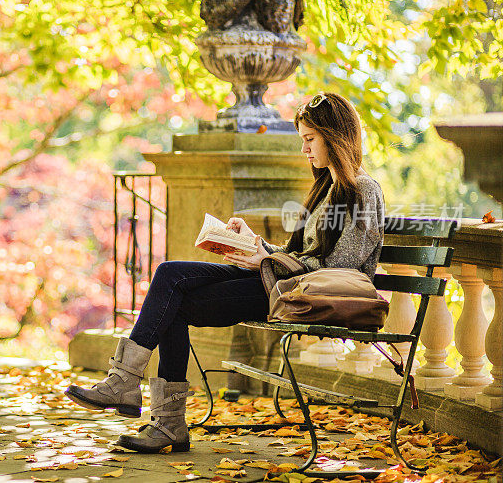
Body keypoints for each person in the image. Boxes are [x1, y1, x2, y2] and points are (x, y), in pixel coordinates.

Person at [65, 92, 386, 454]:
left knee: (174, 301)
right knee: (170, 275)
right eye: (302, 141)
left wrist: (266, 260)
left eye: (310, 140)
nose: (305, 150)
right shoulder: (326, 189)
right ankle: (131, 390)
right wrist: (256, 246)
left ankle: (150, 408)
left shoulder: (363, 191)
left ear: (335, 135)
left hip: (302, 298)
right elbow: (303, 255)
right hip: (281, 284)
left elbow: (338, 270)